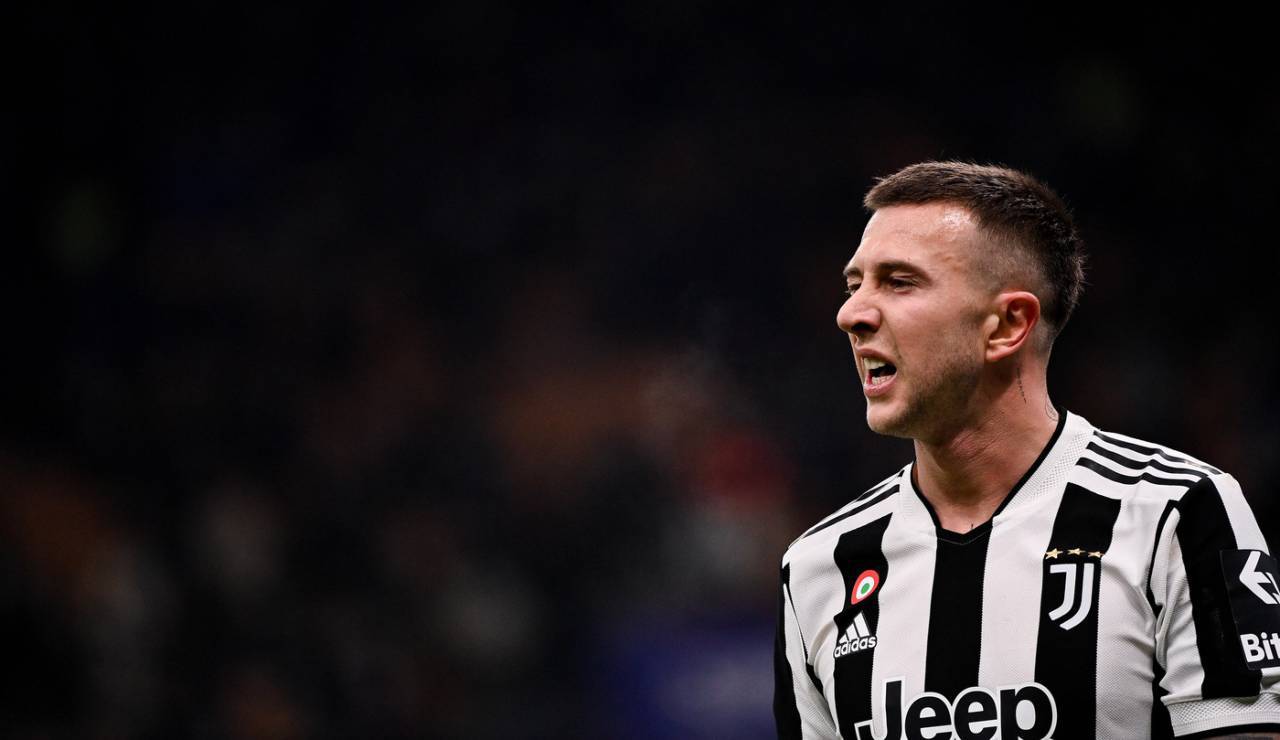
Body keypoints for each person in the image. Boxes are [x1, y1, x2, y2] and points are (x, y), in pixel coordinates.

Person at [774, 161, 1280, 739]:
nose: (851, 314)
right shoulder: (817, 567)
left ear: (1008, 324)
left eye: (899, 282)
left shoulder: (1175, 515)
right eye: (854, 285)